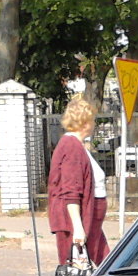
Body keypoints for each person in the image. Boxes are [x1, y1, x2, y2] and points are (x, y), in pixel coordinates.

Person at [47, 97, 109, 267]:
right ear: (85, 121)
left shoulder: (77, 145)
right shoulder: (71, 146)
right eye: (92, 120)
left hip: (90, 221)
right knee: (78, 270)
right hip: (78, 221)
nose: (94, 123)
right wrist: (78, 228)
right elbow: (71, 191)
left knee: (105, 264)